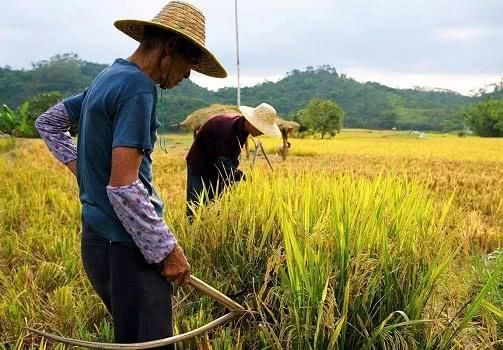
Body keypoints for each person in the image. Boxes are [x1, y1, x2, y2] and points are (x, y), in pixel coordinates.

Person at [35, 2, 227, 347]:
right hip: (127, 248)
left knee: (131, 338)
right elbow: (124, 188)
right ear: (170, 49)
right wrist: (167, 250)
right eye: (189, 64)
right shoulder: (138, 88)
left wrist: (86, 170)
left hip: (96, 241)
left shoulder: (108, 78)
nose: (188, 75)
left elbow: (47, 122)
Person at [185, 103, 281, 219]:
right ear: (252, 123)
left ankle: (210, 226)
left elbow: (231, 157)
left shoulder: (243, 130)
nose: (262, 132)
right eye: (262, 128)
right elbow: (223, 162)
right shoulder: (227, 128)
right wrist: (241, 177)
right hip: (200, 164)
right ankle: (191, 230)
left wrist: (234, 176)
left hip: (217, 165)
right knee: (196, 203)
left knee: (215, 202)